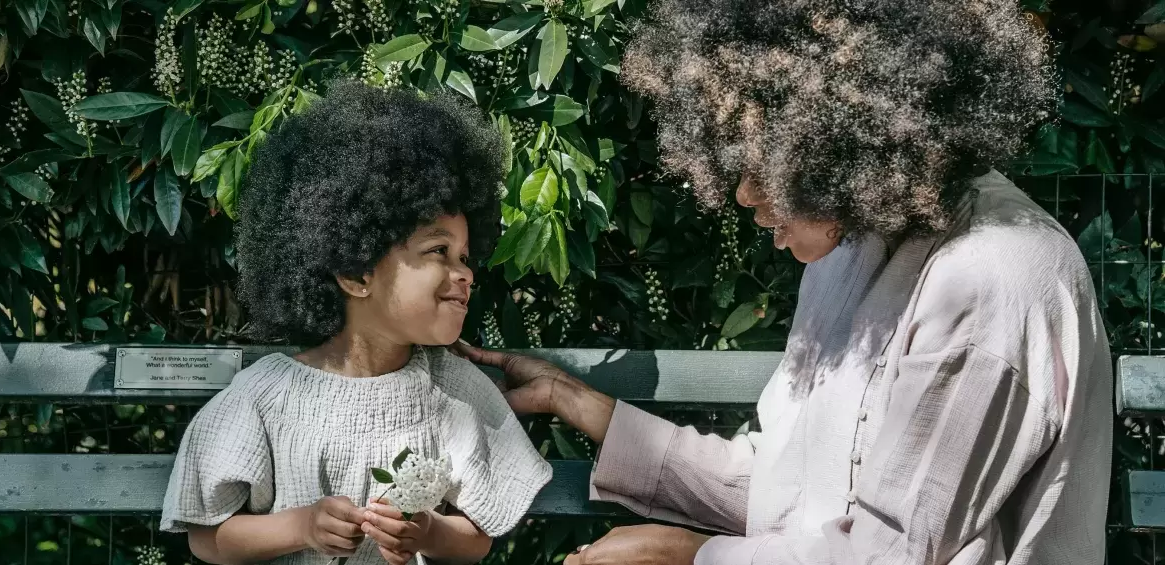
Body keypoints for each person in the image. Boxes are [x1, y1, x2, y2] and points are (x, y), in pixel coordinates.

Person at [453, 0, 1112, 563]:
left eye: (767, 163)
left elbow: (890, 554)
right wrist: (581, 403)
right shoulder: (850, 243)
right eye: (732, 159)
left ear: (850, 142)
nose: (740, 192)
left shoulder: (993, 278)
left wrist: (690, 554)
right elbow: (786, 490)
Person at [159, 81, 552, 565]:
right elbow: (206, 537)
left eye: (465, 256)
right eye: (438, 251)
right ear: (355, 272)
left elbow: (479, 537)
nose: (465, 274)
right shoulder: (264, 398)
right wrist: (301, 526)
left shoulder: (454, 390)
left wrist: (427, 533)